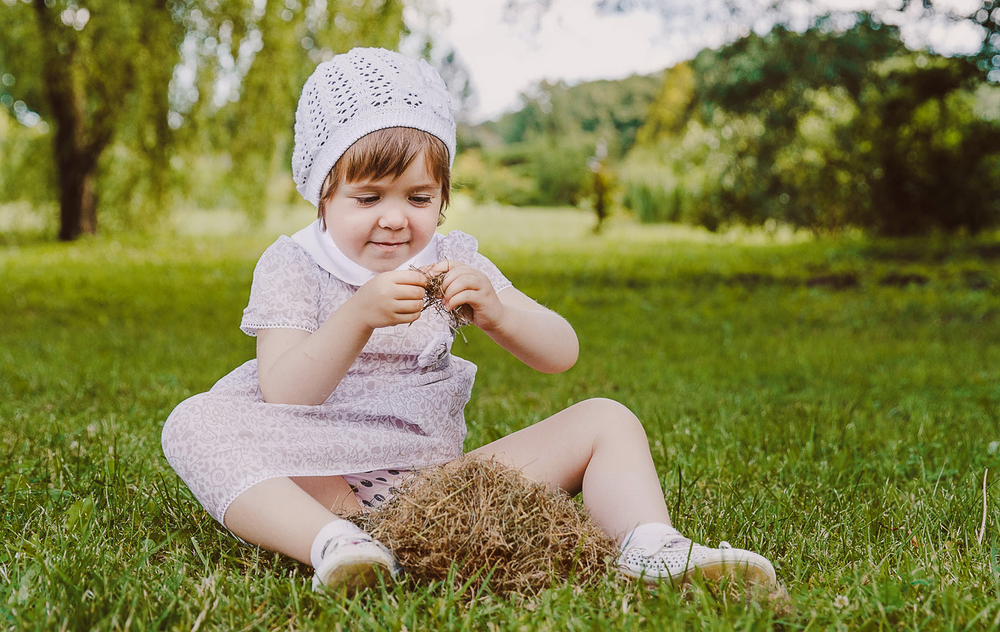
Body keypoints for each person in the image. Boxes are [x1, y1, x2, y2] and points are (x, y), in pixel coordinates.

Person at [161, 47, 776, 593]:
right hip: (320, 478)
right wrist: (357, 316)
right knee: (191, 424)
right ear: (323, 192)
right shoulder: (293, 265)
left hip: (438, 484)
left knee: (607, 419)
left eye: (419, 198)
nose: (396, 218)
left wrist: (498, 312)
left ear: (443, 196)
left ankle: (650, 545)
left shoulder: (453, 260)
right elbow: (286, 393)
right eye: (369, 198)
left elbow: (561, 352)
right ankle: (335, 545)